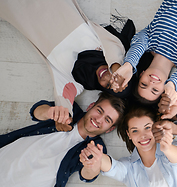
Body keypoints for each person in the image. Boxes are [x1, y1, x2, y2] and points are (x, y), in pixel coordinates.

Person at [0, 92, 125, 187]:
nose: (99, 119)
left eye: (107, 120)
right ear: (91, 106)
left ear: (109, 129)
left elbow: (88, 176)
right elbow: (36, 111)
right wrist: (50, 112)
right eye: (99, 111)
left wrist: (91, 166)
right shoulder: (68, 109)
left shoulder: (96, 148)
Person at [0, 0, 129, 117]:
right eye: (114, 78)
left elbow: (64, 101)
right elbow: (115, 51)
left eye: (107, 85)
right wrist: (117, 69)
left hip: (21, 12)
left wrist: (64, 117)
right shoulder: (106, 48)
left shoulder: (76, 81)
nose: (107, 78)